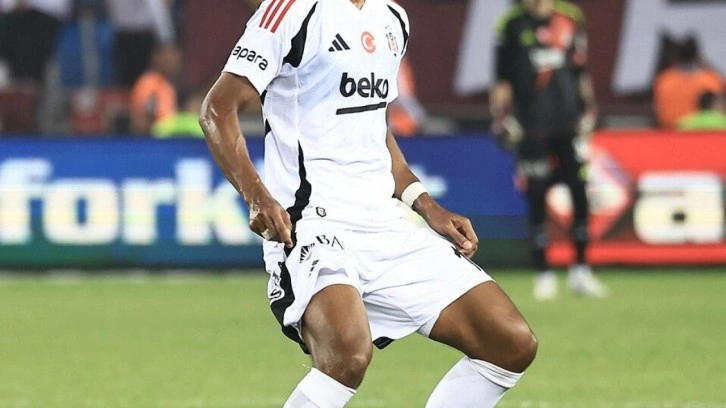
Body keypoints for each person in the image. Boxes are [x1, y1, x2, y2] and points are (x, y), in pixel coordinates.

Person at [200, 0, 537, 406]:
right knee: (347, 355)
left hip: (384, 224)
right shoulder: (290, 10)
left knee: (510, 343)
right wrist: (256, 196)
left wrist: (425, 204)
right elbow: (217, 109)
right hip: (312, 222)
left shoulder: (393, 18)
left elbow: (374, 124)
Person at [490, 0, 608, 301]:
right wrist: (500, 117)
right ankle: (543, 274)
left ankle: (581, 270)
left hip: (569, 125)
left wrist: (589, 111)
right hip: (531, 127)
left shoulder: (570, 17)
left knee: (580, 192)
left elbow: (580, 70)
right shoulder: (510, 24)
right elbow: (502, 78)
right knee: (537, 196)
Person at [654, 37, 724, 130]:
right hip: (708, 132)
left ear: (676, 56)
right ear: (698, 55)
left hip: (670, 133)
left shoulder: (664, 81)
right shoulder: (711, 81)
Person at [106, 0, 176, 87]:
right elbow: (155, 7)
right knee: (138, 80)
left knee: (133, 79)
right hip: (136, 33)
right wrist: (166, 38)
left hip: (129, 32)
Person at [0, 0, 71, 83]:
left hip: (37, 71)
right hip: (10, 72)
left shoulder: (46, 20)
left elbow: (63, 12)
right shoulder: (6, 22)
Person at [130, 44, 182, 134]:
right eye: (167, 58)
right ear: (156, 58)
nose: (171, 62)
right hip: (153, 137)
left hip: (171, 135)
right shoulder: (148, 82)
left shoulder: (169, 85)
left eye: (174, 58)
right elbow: (143, 119)